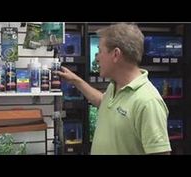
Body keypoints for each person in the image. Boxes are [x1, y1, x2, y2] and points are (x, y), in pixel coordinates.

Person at [58, 23, 171, 155]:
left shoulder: (148, 102)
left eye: (100, 51)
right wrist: (75, 80)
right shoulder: (115, 85)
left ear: (116, 54)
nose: (97, 58)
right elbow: (103, 102)